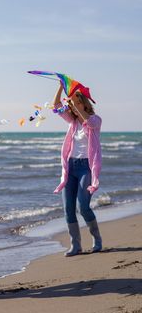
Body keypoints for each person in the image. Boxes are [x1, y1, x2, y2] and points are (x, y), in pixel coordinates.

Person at [53, 83, 102, 256]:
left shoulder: (95, 120)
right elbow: (56, 106)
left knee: (84, 206)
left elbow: (88, 121)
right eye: (72, 104)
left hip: (86, 167)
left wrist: (74, 104)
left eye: (76, 102)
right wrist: (60, 87)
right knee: (68, 208)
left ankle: (97, 239)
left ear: (83, 103)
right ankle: (76, 245)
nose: (73, 106)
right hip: (71, 167)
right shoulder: (72, 122)